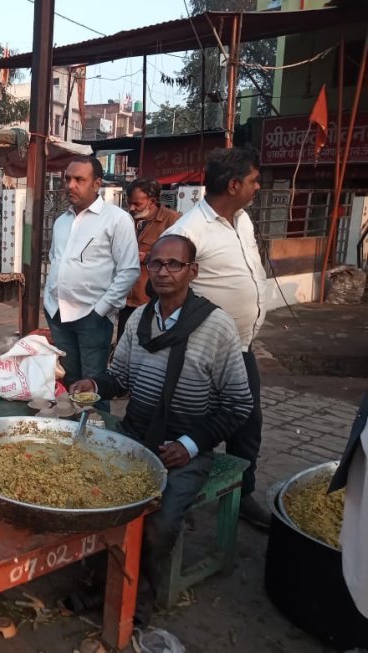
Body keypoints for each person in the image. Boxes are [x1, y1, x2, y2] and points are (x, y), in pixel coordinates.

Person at [70, 234, 253, 625]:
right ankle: (100, 581)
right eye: (156, 264)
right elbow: (120, 376)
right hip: (136, 437)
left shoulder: (216, 326)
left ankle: (137, 598)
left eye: (175, 264)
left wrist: (190, 445)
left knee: (159, 524)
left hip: (185, 446)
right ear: (147, 269)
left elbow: (240, 404)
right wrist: (96, 385)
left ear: (193, 271)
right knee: (93, 497)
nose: (164, 272)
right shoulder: (140, 319)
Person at [164, 146, 270, 528]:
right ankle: (173, 498)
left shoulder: (241, 220)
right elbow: (165, 291)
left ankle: (243, 494)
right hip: (200, 351)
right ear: (234, 183)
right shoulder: (188, 230)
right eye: (255, 181)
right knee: (189, 424)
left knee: (247, 425)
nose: (259, 187)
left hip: (241, 348)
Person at [43, 155, 140, 406]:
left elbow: (129, 270)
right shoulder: (62, 221)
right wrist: (48, 299)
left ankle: (97, 433)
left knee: (94, 384)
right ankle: (71, 429)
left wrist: (100, 311)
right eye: (67, 179)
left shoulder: (116, 219)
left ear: (96, 184)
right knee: (68, 378)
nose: (70, 185)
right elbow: (56, 260)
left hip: (92, 317)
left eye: (79, 180)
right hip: (58, 313)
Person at [118, 177, 181, 341]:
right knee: (124, 346)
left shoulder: (172, 220)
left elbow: (177, 257)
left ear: (152, 201)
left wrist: (147, 257)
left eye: (137, 204)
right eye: (129, 203)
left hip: (152, 301)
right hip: (125, 298)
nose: (131, 208)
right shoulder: (125, 220)